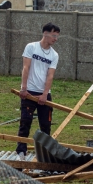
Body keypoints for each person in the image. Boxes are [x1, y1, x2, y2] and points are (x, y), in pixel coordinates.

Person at [15, 22, 60, 160]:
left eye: (57, 36)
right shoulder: (31, 47)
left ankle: (44, 154)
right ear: (45, 34)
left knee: (45, 125)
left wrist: (45, 94)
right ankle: (21, 153)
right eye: (53, 35)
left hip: (44, 94)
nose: (55, 39)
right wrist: (24, 88)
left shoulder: (54, 55)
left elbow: (50, 75)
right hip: (29, 92)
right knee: (25, 122)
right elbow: (26, 68)